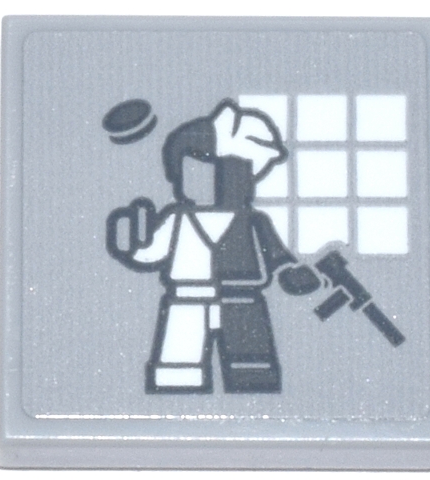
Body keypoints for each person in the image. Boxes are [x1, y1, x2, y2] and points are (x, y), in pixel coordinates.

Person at [107, 99, 320, 393]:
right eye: (188, 169)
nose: (198, 178)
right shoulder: (176, 219)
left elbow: (276, 255)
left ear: (239, 174)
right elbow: (149, 254)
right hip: (187, 299)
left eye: (208, 168)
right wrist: (132, 247)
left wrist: (290, 273)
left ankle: (254, 395)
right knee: (178, 365)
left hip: (242, 299)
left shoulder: (252, 220)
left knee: (252, 364)